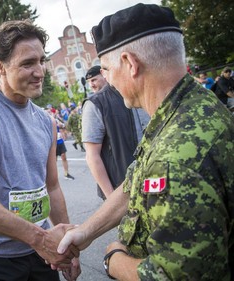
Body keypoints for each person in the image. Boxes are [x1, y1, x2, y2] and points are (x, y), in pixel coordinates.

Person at [56, 4, 234, 280]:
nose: (107, 80)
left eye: (106, 69)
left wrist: (113, 260)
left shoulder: (174, 157)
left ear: (130, 64)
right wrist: (87, 230)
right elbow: (134, 183)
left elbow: (171, 276)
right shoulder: (194, 107)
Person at [0, 19, 80, 281]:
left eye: (41, 60)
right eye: (28, 63)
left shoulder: (46, 120)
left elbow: (51, 187)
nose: (40, 71)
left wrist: (67, 247)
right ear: (0, 67)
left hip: (41, 253)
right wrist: (39, 239)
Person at [82, 67, 149, 200]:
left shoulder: (142, 92)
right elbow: (92, 156)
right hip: (121, 190)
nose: (92, 84)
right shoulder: (95, 103)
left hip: (152, 183)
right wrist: (112, 199)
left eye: (94, 80)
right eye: (89, 81)